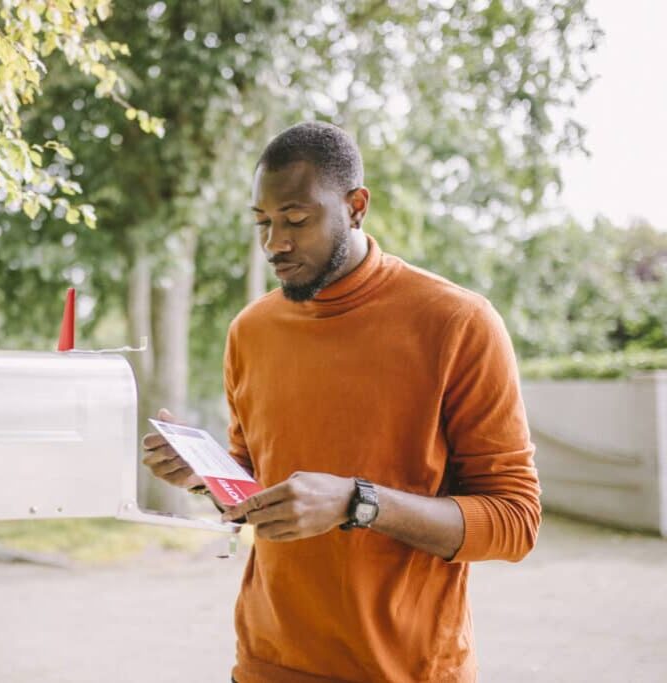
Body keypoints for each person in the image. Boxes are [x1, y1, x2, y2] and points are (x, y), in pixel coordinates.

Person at [141, 121, 541, 683]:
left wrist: (359, 502)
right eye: (263, 223)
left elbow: (515, 522)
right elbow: (256, 488)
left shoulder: (458, 323)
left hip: (406, 671)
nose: (275, 243)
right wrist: (207, 474)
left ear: (356, 206)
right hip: (265, 665)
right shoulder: (250, 331)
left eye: (297, 220)